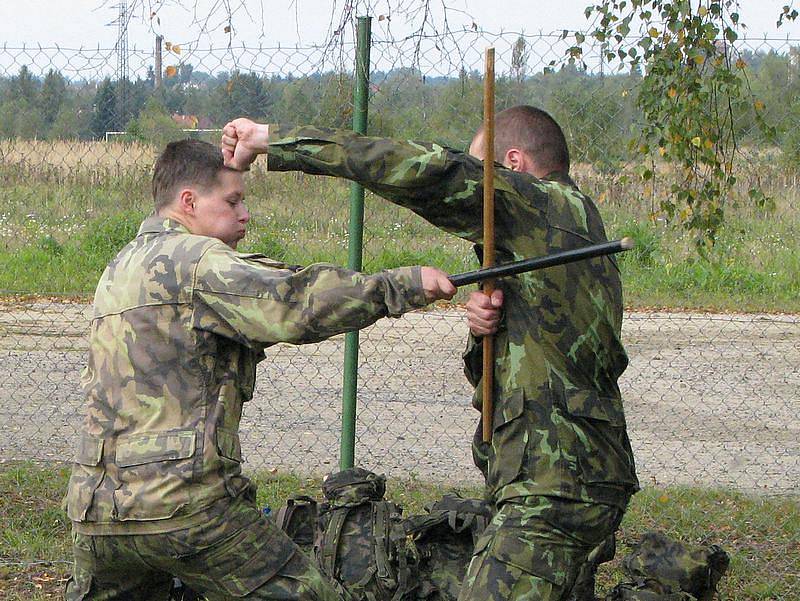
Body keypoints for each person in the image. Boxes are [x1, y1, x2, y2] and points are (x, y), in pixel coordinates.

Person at [220, 106, 639, 601]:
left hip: (556, 483)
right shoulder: (571, 223)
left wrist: (274, 139)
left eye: (483, 169)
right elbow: (555, 358)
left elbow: (429, 171)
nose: (479, 180)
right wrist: (488, 332)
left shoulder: (540, 205)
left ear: (514, 164)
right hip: (573, 472)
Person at [64, 138, 456, 600]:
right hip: (185, 508)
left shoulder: (118, 267)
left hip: (99, 512)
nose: (244, 213)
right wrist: (401, 285)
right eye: (232, 201)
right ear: (188, 202)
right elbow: (295, 302)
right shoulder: (196, 260)